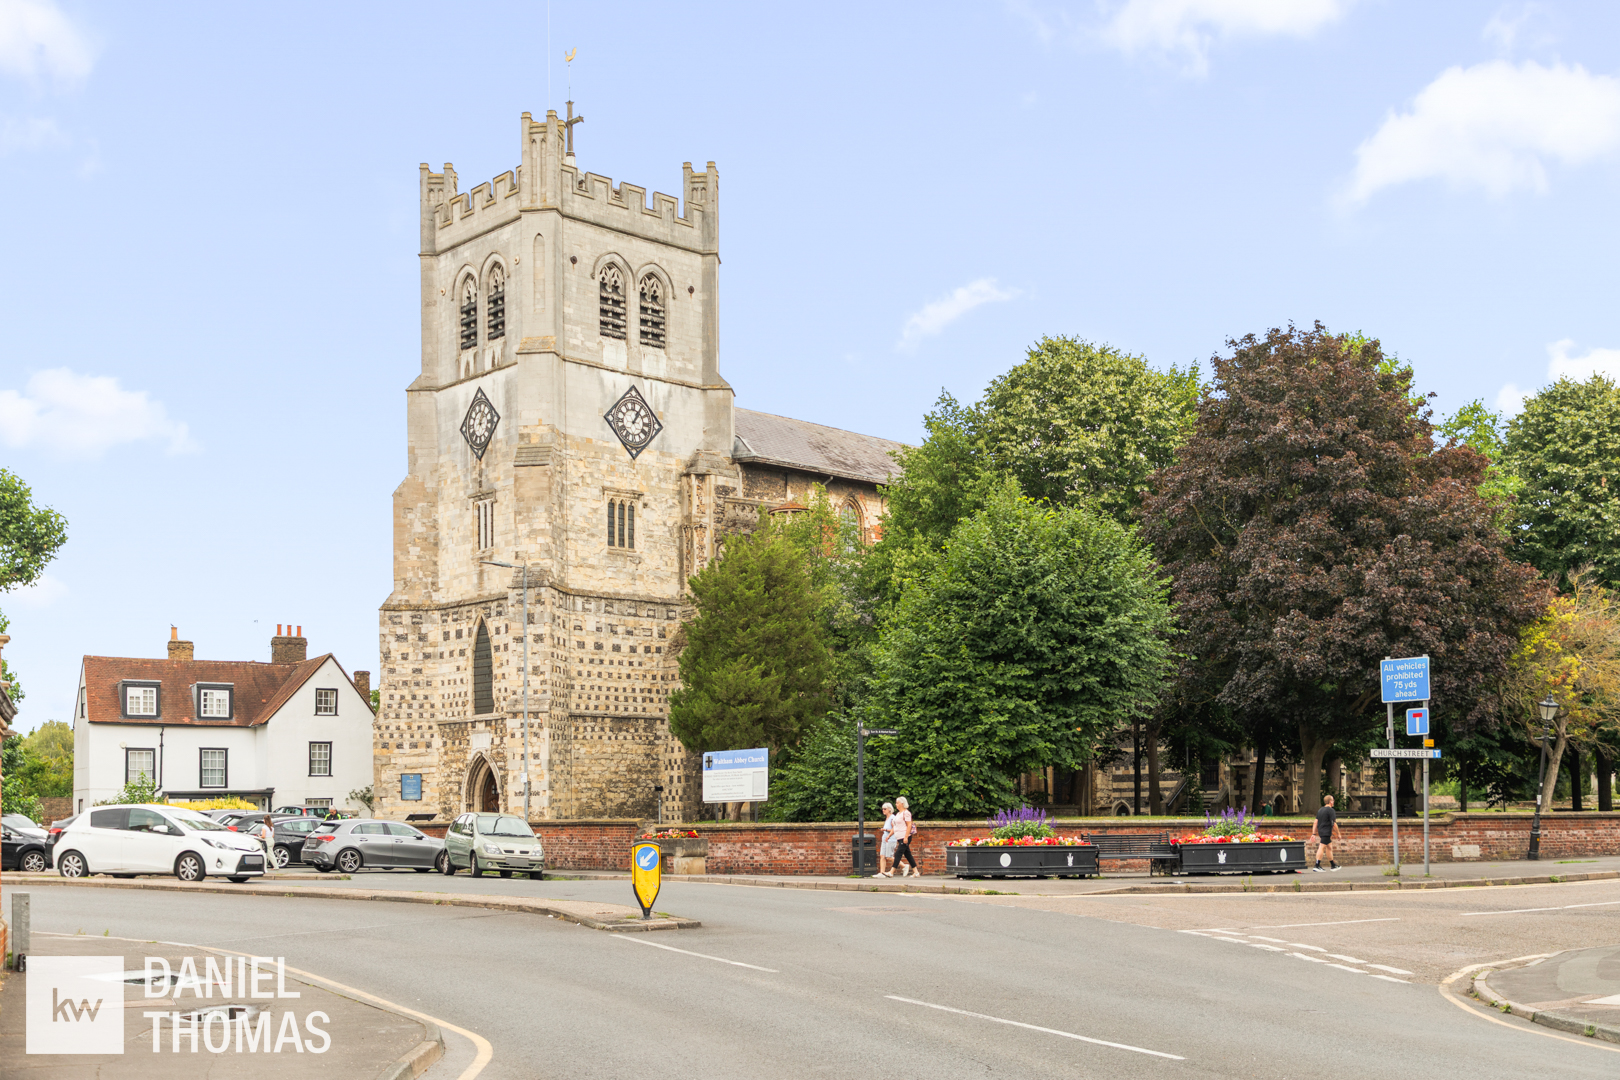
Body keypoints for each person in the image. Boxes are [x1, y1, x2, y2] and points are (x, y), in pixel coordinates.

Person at [1313, 794, 1342, 871]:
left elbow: (1315, 822)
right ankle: (1317, 865)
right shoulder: (1331, 810)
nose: (1333, 802)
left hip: (1321, 831)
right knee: (1322, 847)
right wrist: (1338, 834)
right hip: (1326, 831)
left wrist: (1314, 833)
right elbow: (1334, 823)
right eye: (1333, 800)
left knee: (1329, 847)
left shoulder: (1320, 810)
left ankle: (1333, 865)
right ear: (1330, 801)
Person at [893, 796, 918, 878]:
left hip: (904, 836)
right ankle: (916, 872)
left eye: (897, 803)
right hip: (899, 837)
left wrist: (906, 837)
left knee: (898, 853)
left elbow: (909, 825)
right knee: (908, 854)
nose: (896, 804)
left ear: (902, 804)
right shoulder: (898, 814)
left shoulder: (906, 813)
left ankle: (891, 871)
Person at [876, 801, 898, 877]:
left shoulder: (892, 818)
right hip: (885, 838)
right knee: (882, 856)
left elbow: (894, 829)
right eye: (882, 809)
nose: (883, 810)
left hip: (890, 839)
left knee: (889, 857)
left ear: (889, 809)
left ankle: (904, 865)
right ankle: (882, 873)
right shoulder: (887, 818)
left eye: (885, 809)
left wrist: (885, 829)